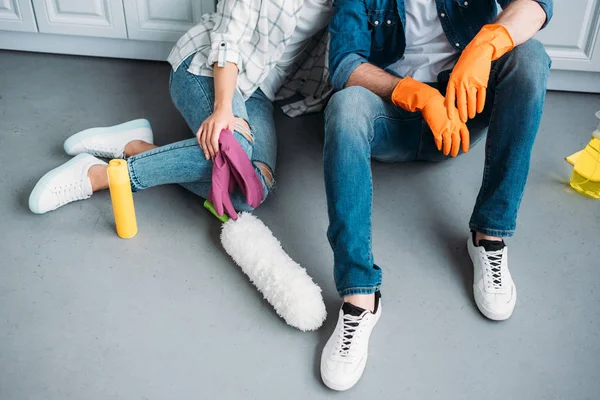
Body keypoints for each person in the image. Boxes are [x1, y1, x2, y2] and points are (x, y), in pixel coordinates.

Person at [319, 0, 553, 391]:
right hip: (392, 117)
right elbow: (344, 64)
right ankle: (360, 297)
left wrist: (484, 46)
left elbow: (538, 4)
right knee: (345, 107)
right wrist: (417, 95)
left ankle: (488, 237)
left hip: (463, 112)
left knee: (529, 56)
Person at [29, 0, 331, 218]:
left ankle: (135, 146)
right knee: (233, 144)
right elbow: (227, 38)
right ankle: (98, 175)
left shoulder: (348, 7)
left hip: (258, 92)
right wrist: (223, 107)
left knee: (252, 192)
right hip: (207, 67)